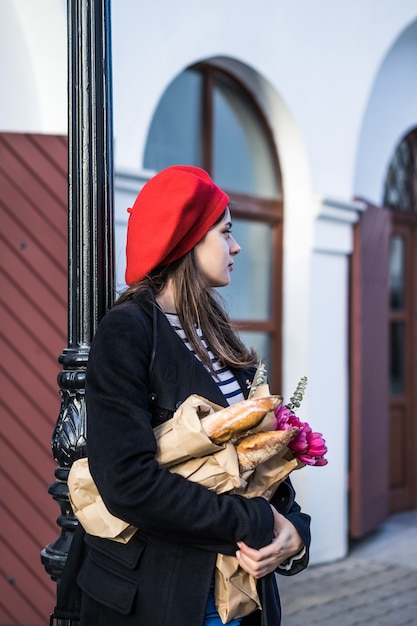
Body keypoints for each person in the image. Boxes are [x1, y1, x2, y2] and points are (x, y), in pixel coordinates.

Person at [77, 165, 311, 626]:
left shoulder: (217, 332)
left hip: (237, 595)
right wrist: (256, 524)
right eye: (225, 232)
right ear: (187, 239)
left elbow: (254, 465)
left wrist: (295, 535)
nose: (236, 246)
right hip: (162, 595)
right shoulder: (129, 329)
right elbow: (128, 483)